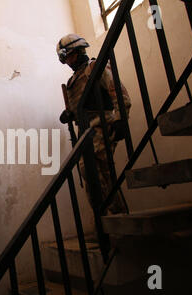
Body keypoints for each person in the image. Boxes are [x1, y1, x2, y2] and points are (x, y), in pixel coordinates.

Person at [57, 34, 131, 215]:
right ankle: (108, 223)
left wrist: (121, 119)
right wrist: (70, 115)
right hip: (86, 133)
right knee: (95, 181)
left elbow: (119, 93)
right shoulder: (73, 81)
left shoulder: (95, 68)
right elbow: (81, 107)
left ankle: (120, 220)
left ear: (79, 50)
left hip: (102, 127)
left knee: (95, 172)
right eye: (65, 58)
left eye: (69, 56)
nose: (68, 61)